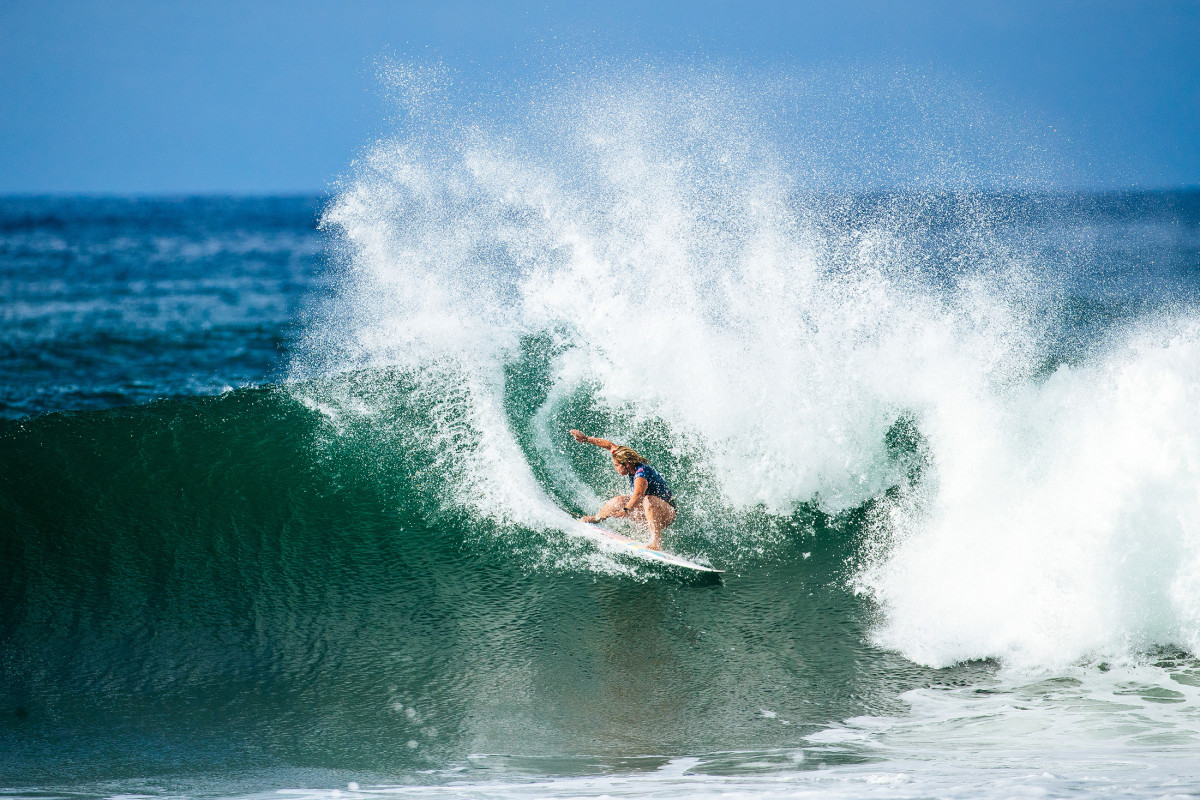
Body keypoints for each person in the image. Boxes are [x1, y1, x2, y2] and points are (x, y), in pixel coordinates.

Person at [569, 429, 676, 550]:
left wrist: (626, 510)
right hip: (649, 509)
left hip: (666, 512)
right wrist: (586, 439)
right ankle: (596, 518)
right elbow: (609, 445)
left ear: (627, 464)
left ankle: (656, 543)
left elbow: (638, 494)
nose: (615, 468)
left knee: (648, 500)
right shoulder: (626, 459)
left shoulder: (641, 473)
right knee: (618, 501)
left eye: (616, 465)